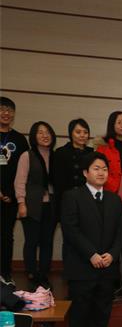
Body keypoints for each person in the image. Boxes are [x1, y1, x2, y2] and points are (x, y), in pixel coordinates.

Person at [61, 152, 122, 327]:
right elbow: (71, 230)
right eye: (96, 168)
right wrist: (91, 254)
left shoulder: (115, 200)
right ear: (85, 172)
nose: (101, 173)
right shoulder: (72, 196)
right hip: (82, 268)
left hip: (107, 269)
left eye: (104, 169)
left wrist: (112, 255)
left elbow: (120, 233)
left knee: (101, 317)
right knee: (80, 317)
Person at [14, 121, 57, 289]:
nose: (45, 135)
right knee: (31, 241)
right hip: (31, 205)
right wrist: (21, 203)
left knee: (47, 242)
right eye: (40, 132)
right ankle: (32, 274)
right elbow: (20, 181)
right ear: (33, 136)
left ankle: (44, 274)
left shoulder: (55, 156)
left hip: (50, 206)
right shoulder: (27, 155)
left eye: (47, 132)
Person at [0, 97, 29, 285]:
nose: (6, 113)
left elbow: (23, 171)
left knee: (6, 237)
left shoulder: (19, 139)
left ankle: (5, 273)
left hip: (9, 198)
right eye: (2, 109)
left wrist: (13, 195)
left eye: (10, 110)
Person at [53, 118, 93, 216]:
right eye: (78, 132)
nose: (82, 135)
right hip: (67, 201)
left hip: (88, 200)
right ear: (71, 133)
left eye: (85, 132)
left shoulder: (92, 153)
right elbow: (57, 181)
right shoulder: (60, 152)